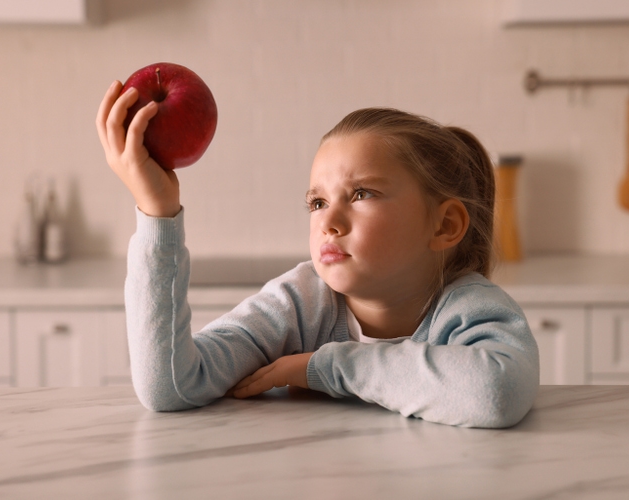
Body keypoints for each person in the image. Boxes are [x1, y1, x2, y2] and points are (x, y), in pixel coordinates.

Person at [96, 81, 539, 428]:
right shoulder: (300, 301)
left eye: (361, 193)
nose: (329, 221)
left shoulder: (469, 308)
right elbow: (171, 386)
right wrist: (158, 214)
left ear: (443, 225)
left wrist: (323, 367)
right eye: (317, 202)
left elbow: (495, 393)